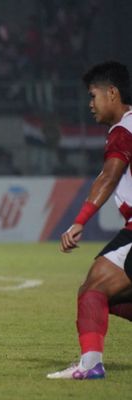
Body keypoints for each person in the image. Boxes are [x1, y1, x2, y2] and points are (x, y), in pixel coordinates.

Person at [48, 61, 132, 380]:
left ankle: (91, 364)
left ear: (112, 93)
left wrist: (79, 221)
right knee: (103, 294)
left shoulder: (124, 129)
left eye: (93, 95)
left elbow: (109, 177)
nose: (90, 104)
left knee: (93, 290)